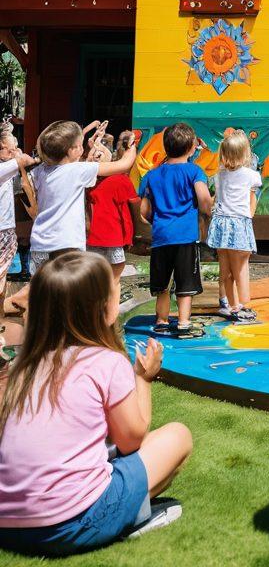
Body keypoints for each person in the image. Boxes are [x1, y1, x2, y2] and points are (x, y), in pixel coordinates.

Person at [0, 251, 193, 554]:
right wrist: (143, 379)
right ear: (103, 309)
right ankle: (131, 517)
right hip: (70, 524)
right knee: (178, 436)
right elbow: (131, 440)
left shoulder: (27, 365)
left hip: (8, 526)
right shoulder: (104, 361)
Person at [27, 120, 137, 275]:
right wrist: (131, 146)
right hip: (66, 246)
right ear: (72, 150)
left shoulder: (41, 170)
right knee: (68, 294)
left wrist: (91, 133)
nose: (83, 146)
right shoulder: (78, 170)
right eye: (80, 144)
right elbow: (124, 164)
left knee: (44, 292)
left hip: (40, 244)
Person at [138, 123, 212, 337]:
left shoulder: (152, 176)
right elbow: (204, 200)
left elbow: (144, 210)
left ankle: (161, 321)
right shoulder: (194, 171)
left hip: (161, 236)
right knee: (185, 282)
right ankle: (183, 322)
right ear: (191, 148)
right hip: (185, 236)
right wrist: (207, 210)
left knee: (162, 283)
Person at [207, 130, 261, 323]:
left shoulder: (219, 176)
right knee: (241, 269)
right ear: (245, 153)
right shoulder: (251, 175)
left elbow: (218, 199)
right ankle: (245, 307)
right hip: (239, 223)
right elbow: (252, 201)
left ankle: (232, 305)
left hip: (221, 224)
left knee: (226, 270)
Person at [85, 132, 141, 288]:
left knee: (92, 279)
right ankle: (109, 310)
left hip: (91, 237)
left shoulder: (86, 182)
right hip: (114, 236)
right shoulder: (120, 180)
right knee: (114, 281)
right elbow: (133, 207)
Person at [0, 126, 35, 318]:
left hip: (6, 228)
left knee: (3, 278)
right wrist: (19, 155)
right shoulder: (4, 167)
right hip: (2, 229)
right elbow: (27, 159)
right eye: (11, 147)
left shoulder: (7, 165)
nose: (15, 150)